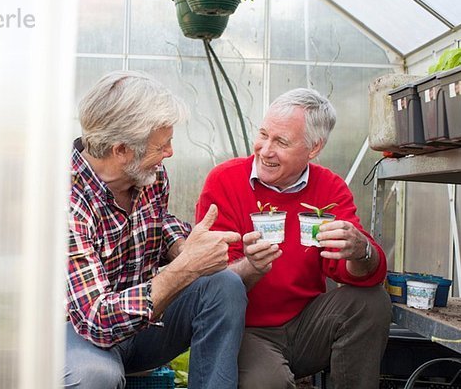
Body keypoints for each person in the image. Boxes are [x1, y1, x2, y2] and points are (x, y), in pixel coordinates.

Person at [195, 88, 392, 389]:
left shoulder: (329, 188)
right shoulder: (225, 181)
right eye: (263, 134)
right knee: (267, 382)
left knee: (371, 301)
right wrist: (251, 266)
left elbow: (359, 273)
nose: (264, 150)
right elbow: (210, 282)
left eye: (281, 142)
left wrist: (360, 250)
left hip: (306, 325)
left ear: (314, 148)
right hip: (246, 330)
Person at [64, 70, 247, 389]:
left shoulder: (150, 175)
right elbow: (96, 320)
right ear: (120, 149)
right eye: (161, 145)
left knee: (224, 285)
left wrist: (183, 245)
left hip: (142, 326)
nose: (170, 153)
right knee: (93, 376)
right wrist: (185, 267)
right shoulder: (66, 199)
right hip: (80, 334)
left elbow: (156, 223)